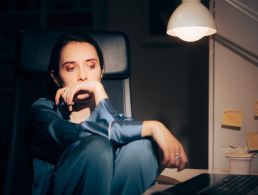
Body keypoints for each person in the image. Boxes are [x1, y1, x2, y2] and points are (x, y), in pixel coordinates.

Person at [28, 33, 188, 195]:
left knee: (140, 147)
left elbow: (121, 133)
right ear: (55, 77)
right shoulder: (43, 111)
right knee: (97, 147)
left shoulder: (120, 124)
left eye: (91, 66)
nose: (83, 76)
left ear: (101, 72)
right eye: (71, 68)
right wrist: (154, 126)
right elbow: (81, 134)